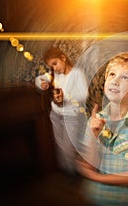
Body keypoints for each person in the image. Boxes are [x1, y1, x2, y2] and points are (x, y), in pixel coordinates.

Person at [76, 52, 128, 206]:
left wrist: (96, 178)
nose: (115, 80)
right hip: (97, 198)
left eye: (125, 77)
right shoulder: (95, 120)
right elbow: (91, 164)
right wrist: (94, 135)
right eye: (112, 74)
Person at [35, 46, 88, 175]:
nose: (54, 68)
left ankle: (73, 173)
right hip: (56, 115)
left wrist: (65, 98)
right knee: (59, 145)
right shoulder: (54, 74)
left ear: (63, 58)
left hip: (71, 117)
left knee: (67, 148)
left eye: (55, 63)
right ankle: (66, 171)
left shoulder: (77, 74)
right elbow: (39, 79)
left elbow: (84, 94)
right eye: (51, 66)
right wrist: (42, 83)